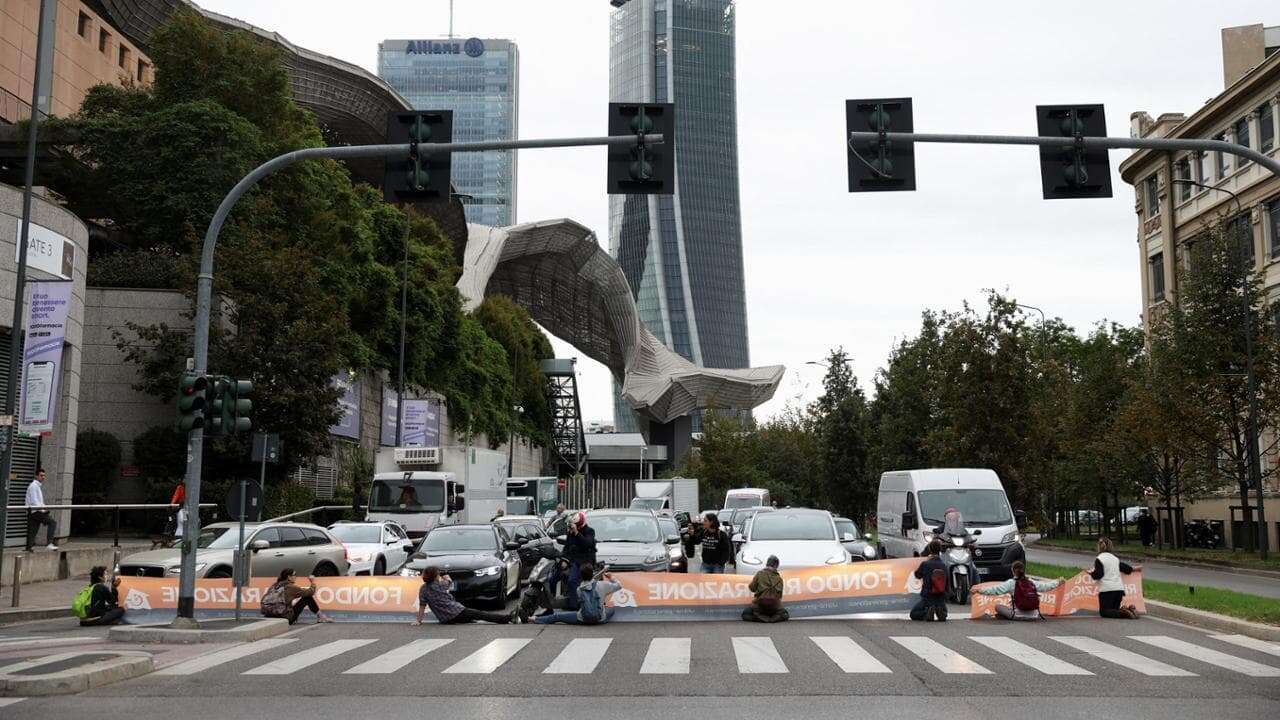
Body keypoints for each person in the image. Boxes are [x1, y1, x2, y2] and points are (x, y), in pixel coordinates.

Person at [415, 566, 514, 624]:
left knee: (473, 615)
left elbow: (422, 607)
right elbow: (449, 582)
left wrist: (418, 621)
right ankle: (507, 618)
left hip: (445, 619)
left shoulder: (423, 589)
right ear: (435, 576)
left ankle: (471, 618)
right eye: (438, 574)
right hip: (456, 611)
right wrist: (447, 577)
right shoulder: (440, 584)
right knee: (480, 614)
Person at [975, 560, 1064, 620]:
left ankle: (1006, 616)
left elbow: (995, 590)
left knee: (997, 607)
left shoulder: (1011, 583)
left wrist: (979, 590)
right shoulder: (1031, 582)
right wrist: (1058, 582)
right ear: (1023, 570)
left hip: (1017, 615)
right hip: (1034, 615)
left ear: (1013, 571)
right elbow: (1045, 586)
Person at [534, 563, 620, 625]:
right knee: (612, 609)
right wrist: (611, 577)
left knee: (557, 616)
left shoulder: (579, 589)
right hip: (600, 619)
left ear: (581, 576)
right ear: (592, 573)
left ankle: (535, 619)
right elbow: (619, 586)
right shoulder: (602, 585)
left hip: (582, 618)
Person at [550, 511, 597, 610]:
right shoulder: (570, 533)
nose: (571, 527)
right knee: (552, 578)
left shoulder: (589, 531)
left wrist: (577, 533)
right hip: (571, 560)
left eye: (574, 525)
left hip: (583, 561)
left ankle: (574, 606)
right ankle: (553, 602)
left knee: (572, 580)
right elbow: (567, 548)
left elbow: (586, 544)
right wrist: (564, 560)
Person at [1090, 537, 1140, 619]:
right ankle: (1129, 610)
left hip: (1107, 590)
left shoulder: (1099, 559)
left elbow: (1099, 575)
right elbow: (1126, 569)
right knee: (1114, 610)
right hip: (1119, 590)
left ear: (1099, 547)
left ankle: (1125, 613)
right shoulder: (1115, 558)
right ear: (1110, 547)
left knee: (1104, 612)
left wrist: (1091, 573)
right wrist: (1136, 568)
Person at [261, 569, 334, 625]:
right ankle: (321, 617)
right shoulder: (290, 587)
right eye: (294, 575)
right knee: (307, 598)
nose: (296, 577)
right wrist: (312, 582)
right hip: (285, 617)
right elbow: (310, 592)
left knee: (290, 604)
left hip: (269, 615)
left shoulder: (274, 585)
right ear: (289, 577)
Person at [909, 539, 948, 622]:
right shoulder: (944, 565)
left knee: (914, 614)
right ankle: (941, 612)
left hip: (928, 596)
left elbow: (917, 575)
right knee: (944, 610)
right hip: (940, 596)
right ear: (940, 550)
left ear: (929, 549)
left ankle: (927, 612)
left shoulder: (925, 564)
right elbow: (948, 582)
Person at [742, 555, 788, 623]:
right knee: (785, 614)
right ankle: (773, 619)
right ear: (776, 565)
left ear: (767, 563)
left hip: (760, 605)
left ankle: (760, 618)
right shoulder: (779, 579)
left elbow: (752, 588)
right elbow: (779, 596)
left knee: (745, 614)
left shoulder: (760, 574)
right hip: (774, 607)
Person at [24, 469, 57, 551]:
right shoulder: (33, 486)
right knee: (52, 522)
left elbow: (39, 502)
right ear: (36, 476)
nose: (43, 477)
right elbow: (34, 502)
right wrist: (43, 510)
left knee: (33, 530)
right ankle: (49, 543)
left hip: (34, 511)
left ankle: (29, 548)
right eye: (41, 475)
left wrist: (45, 508)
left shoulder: (36, 486)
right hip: (35, 511)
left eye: (44, 475)